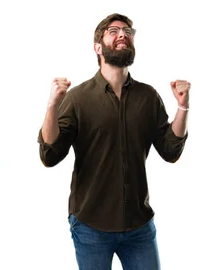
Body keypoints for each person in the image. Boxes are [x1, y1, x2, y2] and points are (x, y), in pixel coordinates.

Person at [38, 13, 189, 270]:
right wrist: (53, 105)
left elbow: (170, 150)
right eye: (114, 31)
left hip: (139, 225)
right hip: (91, 225)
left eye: (128, 32)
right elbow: (50, 154)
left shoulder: (148, 97)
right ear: (98, 47)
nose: (123, 35)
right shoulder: (77, 98)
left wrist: (182, 107)